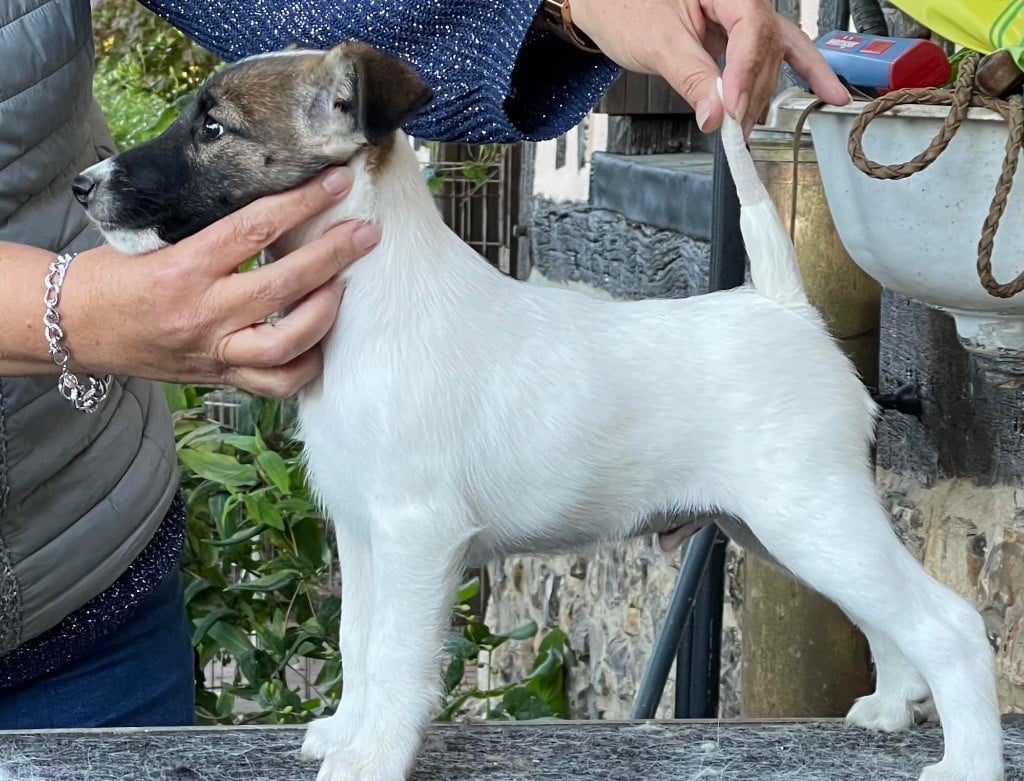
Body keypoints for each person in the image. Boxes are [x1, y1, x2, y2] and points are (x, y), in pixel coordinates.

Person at [0, 0, 844, 728]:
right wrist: (71, 312)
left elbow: (314, 11)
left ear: (344, 123)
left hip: (89, 586)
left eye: (212, 130)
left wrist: (567, 4)